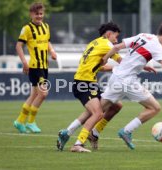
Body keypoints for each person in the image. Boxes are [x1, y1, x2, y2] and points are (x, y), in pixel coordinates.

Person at [87, 21, 162, 150]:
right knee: (154, 108)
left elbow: (117, 47)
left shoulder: (143, 35)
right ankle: (126, 131)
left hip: (116, 77)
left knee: (96, 112)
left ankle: (73, 133)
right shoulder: (157, 45)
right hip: (127, 81)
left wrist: (105, 59)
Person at [56, 22, 156, 152]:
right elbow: (124, 62)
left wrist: (115, 68)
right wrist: (143, 66)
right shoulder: (107, 45)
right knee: (97, 113)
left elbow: (100, 66)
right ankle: (78, 144)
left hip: (86, 82)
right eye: (116, 37)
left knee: (116, 106)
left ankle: (71, 133)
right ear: (109, 34)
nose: (116, 40)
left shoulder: (94, 43)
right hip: (84, 84)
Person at [13, 2, 57, 133]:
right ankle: (31, 122)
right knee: (43, 93)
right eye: (36, 14)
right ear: (31, 14)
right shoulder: (27, 28)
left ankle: (20, 121)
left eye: (41, 13)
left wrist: (52, 51)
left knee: (34, 95)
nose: (39, 16)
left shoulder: (46, 27)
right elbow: (18, 46)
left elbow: (47, 41)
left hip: (44, 66)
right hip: (34, 67)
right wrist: (24, 62)